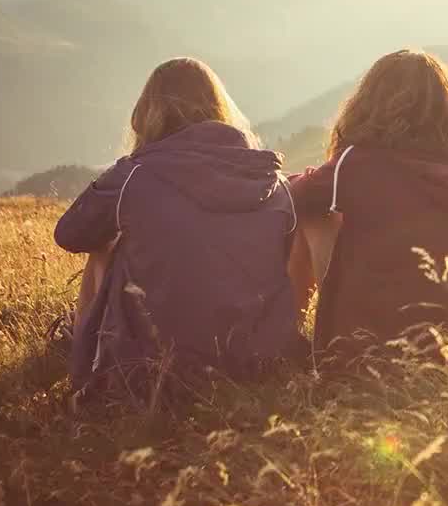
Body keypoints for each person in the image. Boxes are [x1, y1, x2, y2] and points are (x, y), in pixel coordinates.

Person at [55, 57, 302, 396]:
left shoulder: (135, 176)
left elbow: (70, 233)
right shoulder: (273, 183)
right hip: (257, 366)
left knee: (102, 247)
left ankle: (85, 379)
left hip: (153, 373)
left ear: (148, 114)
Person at [289, 50, 448, 364]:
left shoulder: (358, 163)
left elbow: (295, 197)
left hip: (373, 347)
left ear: (368, 104)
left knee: (313, 214)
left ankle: (290, 336)